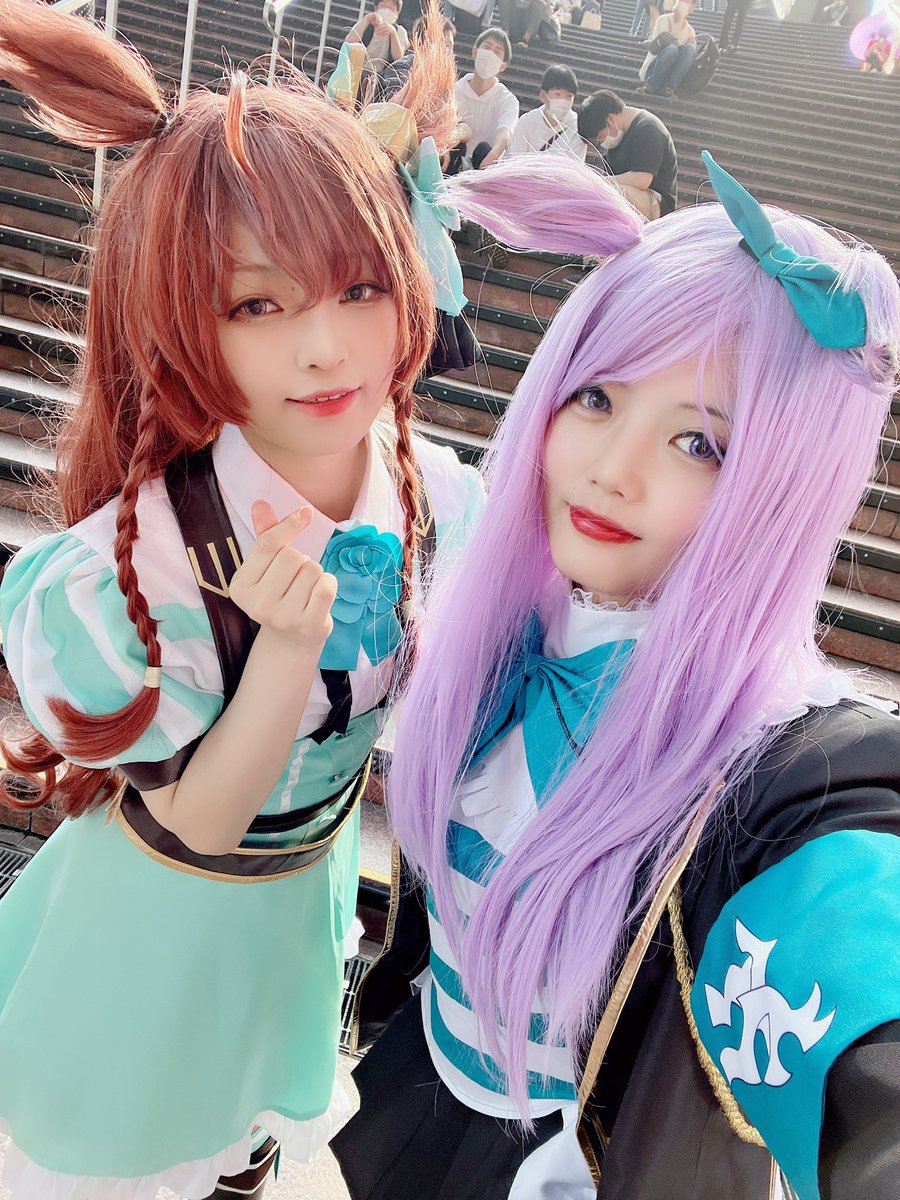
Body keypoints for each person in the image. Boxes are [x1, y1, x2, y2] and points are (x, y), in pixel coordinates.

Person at [331, 150, 900, 1200]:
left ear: (783, 484)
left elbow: (865, 1015)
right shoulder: (498, 635)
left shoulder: (787, 769)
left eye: (700, 444)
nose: (611, 468)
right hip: (417, 1121)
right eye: (596, 397)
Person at [0, 3, 492, 1198]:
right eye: (258, 305)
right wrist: (282, 653)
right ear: (180, 318)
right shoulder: (144, 564)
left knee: (247, 1152)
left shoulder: (431, 490)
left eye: (360, 288)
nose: (328, 348)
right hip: (159, 930)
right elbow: (200, 821)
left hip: (295, 909)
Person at [578, 89, 677, 218]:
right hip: (629, 193)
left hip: (655, 201)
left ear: (610, 120)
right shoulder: (617, 137)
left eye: (600, 137)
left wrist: (599, 181)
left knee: (609, 194)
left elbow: (642, 180)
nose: (601, 143)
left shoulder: (648, 129)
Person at [449, 28, 518, 172]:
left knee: (485, 149)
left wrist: (493, 155)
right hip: (453, 160)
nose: (490, 54)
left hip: (486, 166)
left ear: (502, 66)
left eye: (497, 52)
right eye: (487, 47)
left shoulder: (508, 100)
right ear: (475, 52)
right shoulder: (453, 91)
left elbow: (504, 133)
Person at [507, 64, 587, 160]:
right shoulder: (527, 121)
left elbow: (574, 166)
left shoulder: (577, 130)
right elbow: (514, 159)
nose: (563, 101)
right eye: (557, 94)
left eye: (569, 96)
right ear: (542, 95)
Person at [638, 0, 698, 95]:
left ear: (692, 7)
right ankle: (651, 84)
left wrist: (691, 44)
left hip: (671, 74)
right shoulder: (663, 20)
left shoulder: (690, 31)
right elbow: (667, 41)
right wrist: (679, 21)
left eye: (687, 2)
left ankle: (670, 87)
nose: (684, 3)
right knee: (672, 49)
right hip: (654, 68)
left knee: (691, 48)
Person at [344, 0, 410, 71]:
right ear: (376, 8)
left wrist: (393, 34)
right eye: (383, 6)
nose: (386, 10)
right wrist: (366, 19)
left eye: (391, 7)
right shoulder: (365, 23)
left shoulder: (400, 31)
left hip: (382, 75)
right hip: (356, 69)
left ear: (397, 12)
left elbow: (398, 57)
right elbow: (349, 42)